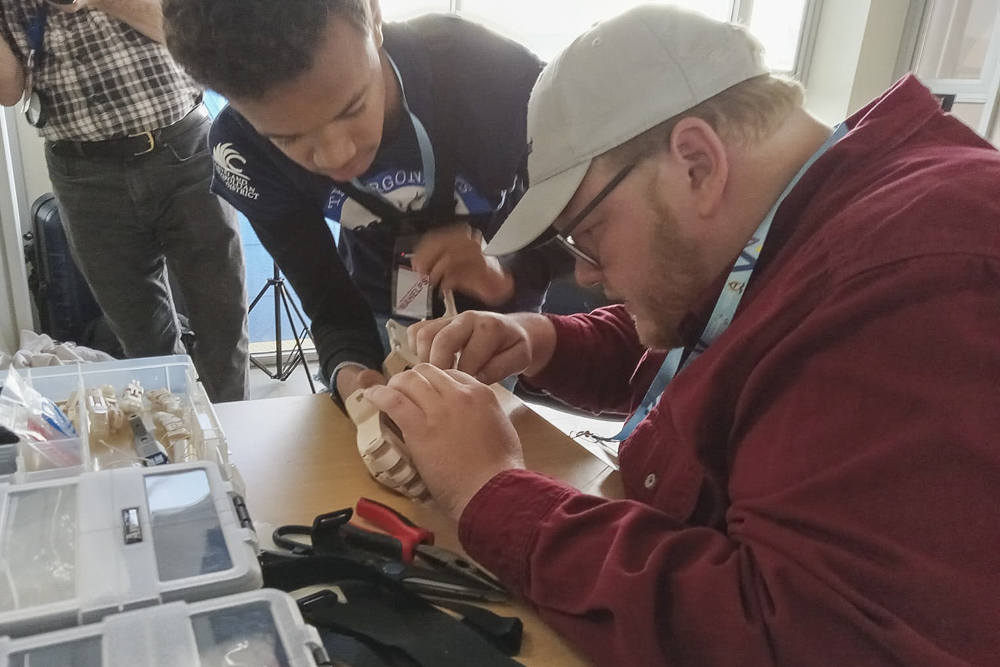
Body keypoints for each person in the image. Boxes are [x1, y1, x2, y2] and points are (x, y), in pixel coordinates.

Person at [362, 5, 1000, 666]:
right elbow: (720, 339)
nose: (583, 270)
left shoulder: (916, 279)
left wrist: (489, 489)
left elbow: (801, 635)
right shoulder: (820, 218)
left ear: (697, 163)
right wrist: (542, 338)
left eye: (587, 232)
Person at [162, 0, 563, 403]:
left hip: (499, 319)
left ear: (373, 16)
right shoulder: (242, 150)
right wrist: (351, 374)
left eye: (352, 108)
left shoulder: (497, 74)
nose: (337, 157)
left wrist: (507, 272)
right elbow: (328, 302)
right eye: (288, 138)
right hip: (376, 308)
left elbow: (588, 222)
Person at [0, 0, 249, 403]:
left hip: (183, 148)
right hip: (84, 175)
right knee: (141, 335)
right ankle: (179, 440)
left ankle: (237, 434)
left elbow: (185, 32)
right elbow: (9, 92)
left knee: (222, 318)